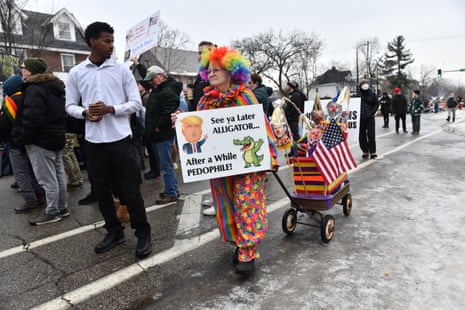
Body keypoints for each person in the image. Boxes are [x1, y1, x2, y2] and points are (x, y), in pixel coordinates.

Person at [175, 46, 278, 275]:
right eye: (208, 70)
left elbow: (261, 125)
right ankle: (239, 243)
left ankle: (247, 251)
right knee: (227, 205)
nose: (211, 73)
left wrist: (270, 155)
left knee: (247, 203)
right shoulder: (204, 102)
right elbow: (197, 129)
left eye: (217, 69)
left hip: (248, 162)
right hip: (222, 165)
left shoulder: (245, 97)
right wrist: (181, 122)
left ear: (232, 71)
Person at [65, 22, 152, 258]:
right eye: (106, 41)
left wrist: (111, 109)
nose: (111, 46)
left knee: (130, 189)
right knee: (101, 191)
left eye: (112, 41)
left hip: (120, 138)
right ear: (92, 41)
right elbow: (69, 106)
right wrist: (85, 112)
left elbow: (136, 104)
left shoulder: (121, 70)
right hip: (93, 141)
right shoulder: (76, 73)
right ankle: (114, 230)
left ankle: (143, 232)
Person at [12, 58, 68, 225]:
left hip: (40, 140)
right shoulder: (54, 88)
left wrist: (22, 139)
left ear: (30, 71)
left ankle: (52, 211)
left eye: (23, 68)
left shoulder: (35, 89)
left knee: (47, 179)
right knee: (58, 175)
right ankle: (61, 207)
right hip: (56, 137)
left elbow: (31, 119)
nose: (21, 70)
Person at [0, 75, 46, 213]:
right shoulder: (29, 96)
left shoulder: (10, 102)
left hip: (15, 142)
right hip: (31, 141)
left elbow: (4, 126)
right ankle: (40, 194)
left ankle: (30, 200)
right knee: (32, 171)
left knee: (20, 173)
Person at [143, 65, 181, 204]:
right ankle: (172, 189)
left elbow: (169, 108)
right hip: (161, 134)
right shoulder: (163, 89)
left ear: (160, 76)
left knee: (166, 165)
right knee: (166, 165)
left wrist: (159, 126)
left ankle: (171, 192)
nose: (150, 82)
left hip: (162, 134)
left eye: (152, 79)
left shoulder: (166, 91)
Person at [189, 41, 215, 112]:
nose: (200, 56)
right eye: (199, 53)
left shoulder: (219, 74)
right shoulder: (200, 74)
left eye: (203, 53)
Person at [358, 80, 379, 159]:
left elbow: (376, 104)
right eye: (363, 84)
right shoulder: (358, 95)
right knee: (361, 136)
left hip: (370, 117)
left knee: (371, 135)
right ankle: (365, 151)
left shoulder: (372, 95)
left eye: (366, 84)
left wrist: (372, 112)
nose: (365, 85)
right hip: (360, 118)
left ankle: (373, 151)